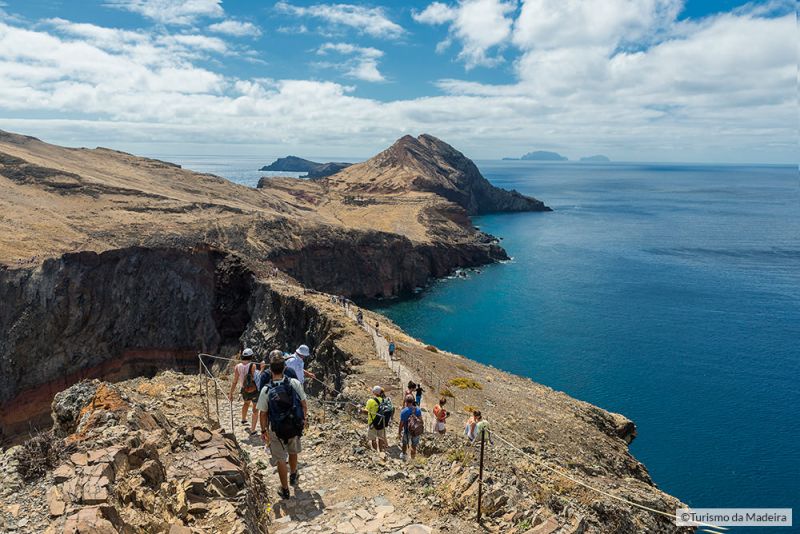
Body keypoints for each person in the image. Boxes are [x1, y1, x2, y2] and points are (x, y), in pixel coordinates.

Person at [257, 354, 308, 499]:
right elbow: (304, 404)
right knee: (293, 451)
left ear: (271, 370)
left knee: (280, 459)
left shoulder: (266, 390)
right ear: (285, 368)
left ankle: (285, 489)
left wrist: (263, 430)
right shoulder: (294, 383)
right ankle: (293, 474)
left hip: (276, 429)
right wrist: (303, 419)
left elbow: (263, 413)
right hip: (293, 425)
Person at [229, 348, 259, 436]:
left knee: (246, 403)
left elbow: (235, 381)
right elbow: (255, 379)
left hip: (244, 389)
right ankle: (253, 430)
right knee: (255, 409)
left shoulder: (238, 366)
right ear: (251, 356)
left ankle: (243, 419)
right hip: (254, 390)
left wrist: (231, 393)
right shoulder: (253, 365)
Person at [362, 386, 390, 452]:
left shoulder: (370, 401)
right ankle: (381, 451)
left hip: (372, 423)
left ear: (374, 392)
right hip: (382, 422)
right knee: (380, 438)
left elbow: (366, 412)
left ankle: (375, 452)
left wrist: (361, 410)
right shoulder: (384, 400)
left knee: (373, 439)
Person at [398, 395, 423, 460]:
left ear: (406, 401)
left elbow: (401, 423)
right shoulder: (417, 409)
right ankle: (413, 458)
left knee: (404, 443)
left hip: (407, 430)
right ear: (413, 401)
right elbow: (421, 421)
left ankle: (404, 455)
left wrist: (399, 432)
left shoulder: (404, 411)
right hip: (415, 430)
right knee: (414, 445)